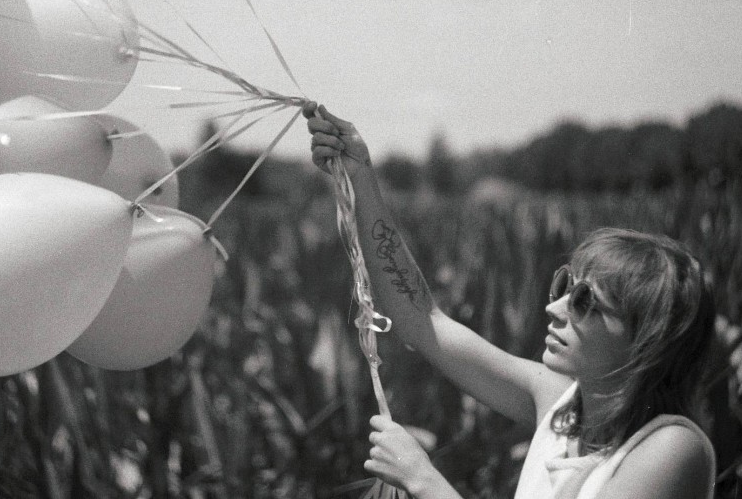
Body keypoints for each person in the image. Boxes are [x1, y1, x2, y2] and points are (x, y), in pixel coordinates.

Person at [303, 102, 717, 499]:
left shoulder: (670, 448)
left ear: (649, 335)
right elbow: (423, 320)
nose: (553, 309)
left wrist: (423, 479)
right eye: (564, 287)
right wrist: (360, 176)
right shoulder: (561, 408)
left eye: (585, 301)